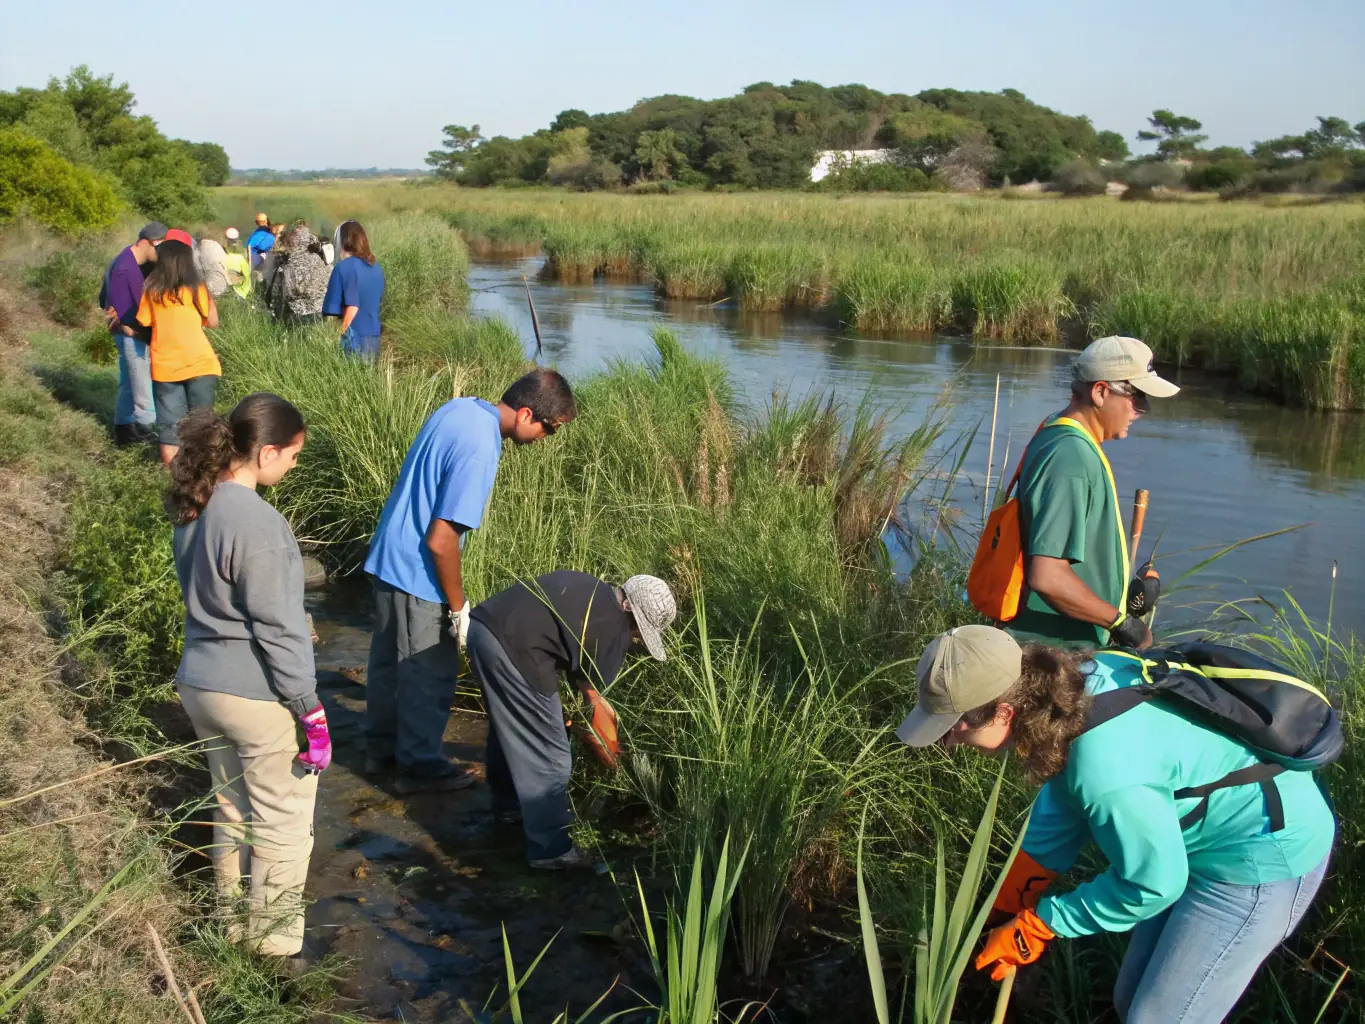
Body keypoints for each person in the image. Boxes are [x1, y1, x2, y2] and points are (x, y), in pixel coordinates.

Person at [896, 625, 1335, 1023]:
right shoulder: (1073, 684)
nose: (949, 741)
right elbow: (1060, 812)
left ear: (1004, 713)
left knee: (1157, 1019)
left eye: (953, 727)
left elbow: (1154, 885)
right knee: (1130, 1002)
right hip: (1192, 846)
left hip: (1262, 858)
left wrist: (1040, 925)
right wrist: (1003, 907)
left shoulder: (1105, 769)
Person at [363, 369, 577, 795]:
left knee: (387, 663)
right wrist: (458, 608)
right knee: (427, 671)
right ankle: (419, 767)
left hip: (388, 553)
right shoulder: (482, 449)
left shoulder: (461, 408)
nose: (545, 439)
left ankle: (379, 752)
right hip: (416, 571)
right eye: (549, 429)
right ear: (526, 413)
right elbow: (442, 542)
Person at [168, 393, 327, 959]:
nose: (292, 467)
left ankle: (230, 924)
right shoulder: (261, 523)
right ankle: (274, 948)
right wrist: (310, 708)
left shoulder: (196, 507)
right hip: (255, 695)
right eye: (291, 456)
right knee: (283, 819)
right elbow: (278, 630)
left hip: (200, 684)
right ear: (265, 452)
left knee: (231, 805)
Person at [468, 571, 677, 869]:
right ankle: (552, 850)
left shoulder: (589, 587)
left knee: (512, 727)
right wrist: (613, 765)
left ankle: (509, 807)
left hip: (481, 630)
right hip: (515, 652)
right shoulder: (613, 629)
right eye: (639, 631)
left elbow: (578, 681)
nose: (636, 637)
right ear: (632, 615)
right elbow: (595, 714)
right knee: (552, 759)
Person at [1008, 336, 1178, 650]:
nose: (1143, 408)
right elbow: (1048, 577)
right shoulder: (1070, 457)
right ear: (1100, 392)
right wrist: (1122, 624)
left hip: (1059, 651)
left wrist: (1125, 590)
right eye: (1137, 396)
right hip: (1049, 659)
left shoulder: (1058, 431)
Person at [136, 229, 223, 465]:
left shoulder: (151, 290)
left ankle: (175, 484)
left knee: (169, 430)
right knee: (203, 426)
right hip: (201, 364)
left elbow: (144, 322)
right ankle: (205, 476)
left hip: (166, 368)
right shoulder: (196, 288)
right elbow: (213, 322)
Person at [99, 221, 164, 446]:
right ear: (146, 242)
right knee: (144, 393)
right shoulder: (125, 268)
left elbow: (103, 299)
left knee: (128, 384)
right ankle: (147, 441)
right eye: (159, 248)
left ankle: (123, 435)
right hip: (131, 335)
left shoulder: (125, 259)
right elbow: (126, 312)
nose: (161, 254)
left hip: (127, 332)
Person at [322, 220, 386, 361]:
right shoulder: (376, 267)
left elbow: (352, 306)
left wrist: (338, 334)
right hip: (373, 335)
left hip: (353, 337)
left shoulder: (343, 268)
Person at [269, 225, 331, 324]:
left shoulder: (289, 266)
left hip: (299, 315)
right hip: (322, 312)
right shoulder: (320, 260)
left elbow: (284, 294)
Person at [196, 228, 230, 297]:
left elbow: (196, 268)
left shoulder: (197, 251)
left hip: (209, 289)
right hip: (223, 286)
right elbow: (225, 262)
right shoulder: (217, 246)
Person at [223, 227, 252, 300]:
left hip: (225, 287)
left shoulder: (222, 256)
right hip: (239, 291)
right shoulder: (240, 258)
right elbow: (247, 275)